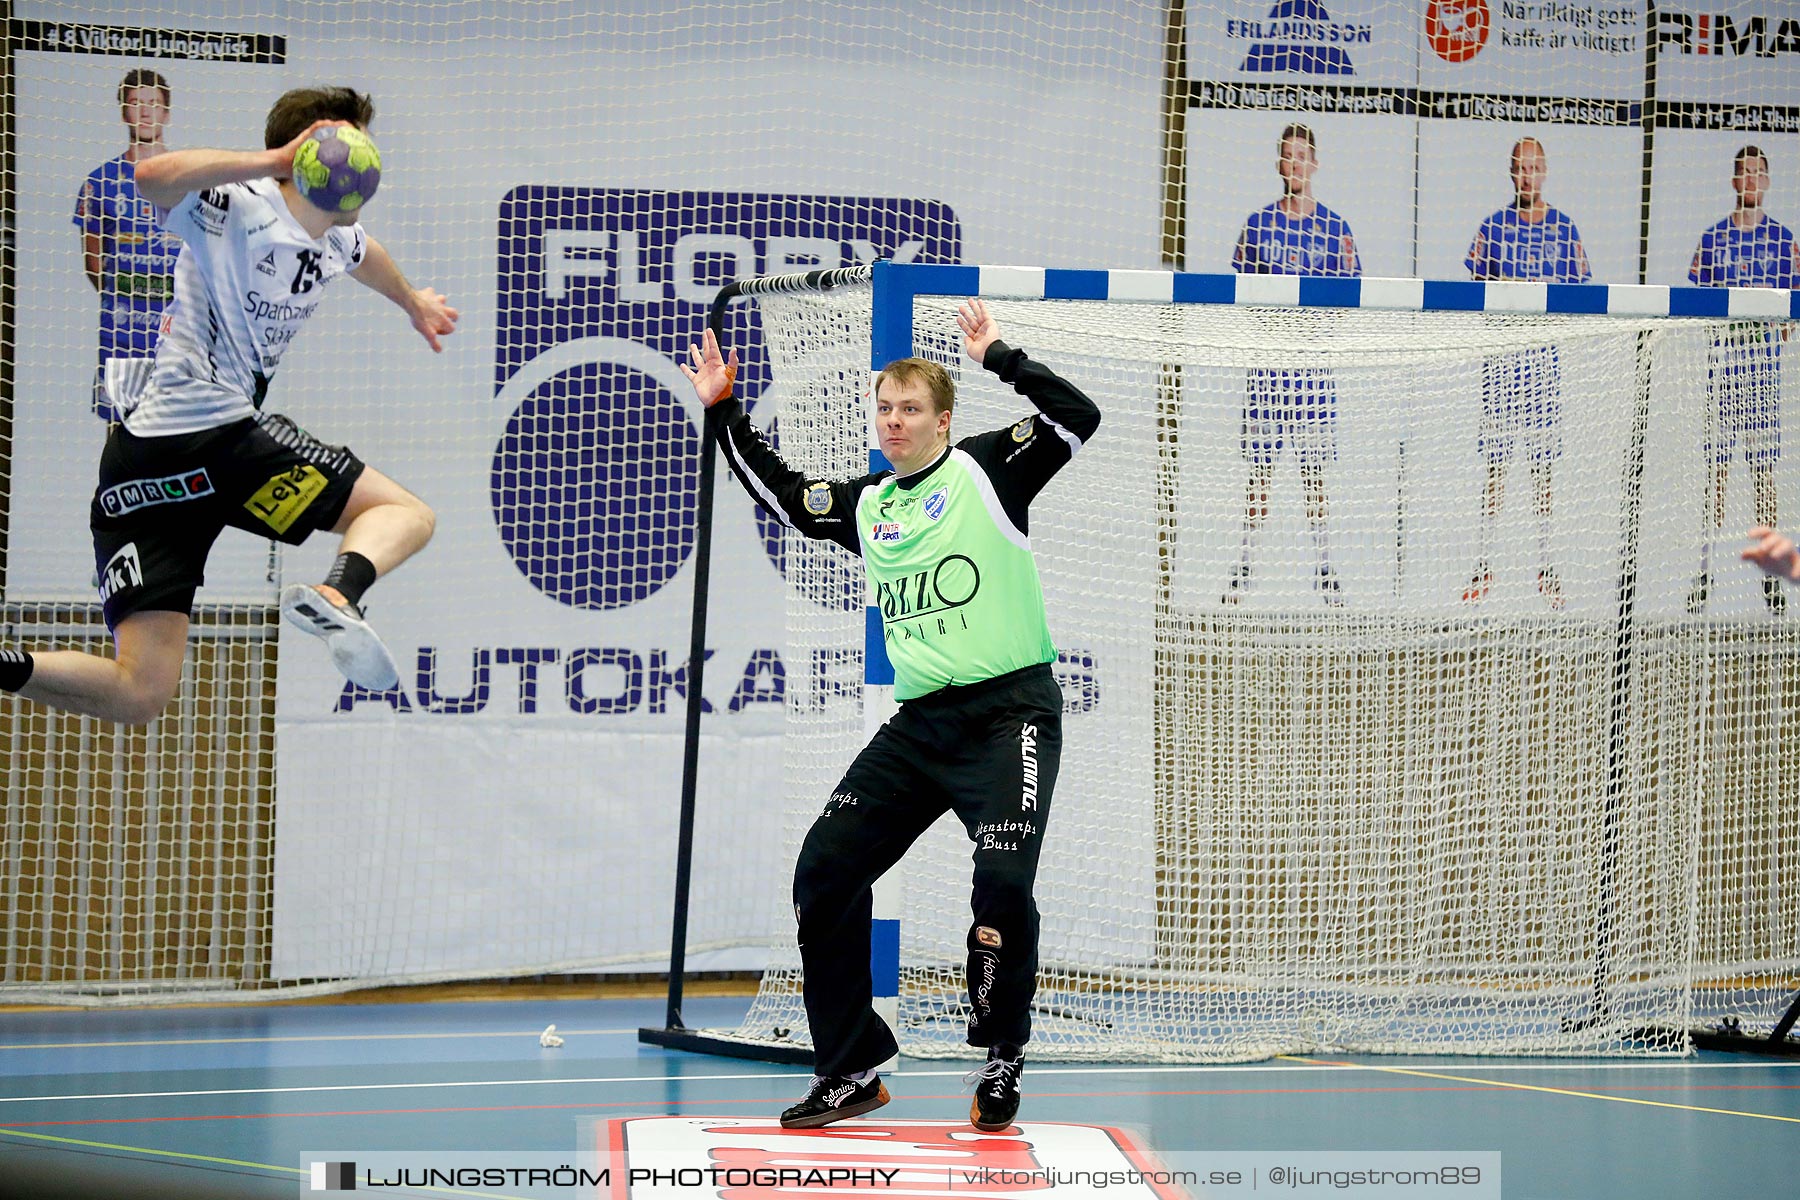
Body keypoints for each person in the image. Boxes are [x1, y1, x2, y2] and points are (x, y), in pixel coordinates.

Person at [680, 299, 1100, 1133]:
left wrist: (1002, 356)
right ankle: (853, 1067)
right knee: (825, 870)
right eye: (885, 407)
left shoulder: (988, 469)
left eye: (911, 409)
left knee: (1003, 886)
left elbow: (1078, 416)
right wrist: (725, 408)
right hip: (921, 727)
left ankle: (1003, 1055)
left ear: (943, 421)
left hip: (1009, 709)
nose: (895, 420)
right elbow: (792, 497)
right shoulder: (871, 504)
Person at [0, 86, 458, 723]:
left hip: (146, 474)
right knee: (407, 513)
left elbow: (366, 257)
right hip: (209, 437)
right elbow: (152, 177)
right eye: (353, 143)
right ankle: (339, 593)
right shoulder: (236, 203)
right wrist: (273, 161)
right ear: (315, 151)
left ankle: (4, 667)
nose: (367, 160)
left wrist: (412, 302)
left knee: (140, 692)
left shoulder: (337, 237)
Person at [1225, 122, 1359, 607]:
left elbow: (1351, 297)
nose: (1296, 164)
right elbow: (1240, 294)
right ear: (1279, 163)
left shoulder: (1335, 228)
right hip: (1268, 372)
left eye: (1304, 155)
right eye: (1288, 156)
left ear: (1315, 163)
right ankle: (1244, 570)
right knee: (1259, 475)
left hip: (1313, 374)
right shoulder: (1258, 226)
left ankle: (1325, 569)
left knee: (1314, 474)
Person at [1462, 136, 1591, 610]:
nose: (1528, 174)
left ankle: (1545, 563)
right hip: (1501, 363)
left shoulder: (1564, 229)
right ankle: (1484, 562)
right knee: (1497, 467)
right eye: (1521, 166)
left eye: (1536, 166)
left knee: (1542, 469)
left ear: (1546, 171)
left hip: (1542, 366)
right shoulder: (1493, 228)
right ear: (1511, 172)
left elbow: (1579, 297)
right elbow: (1475, 291)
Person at [1684, 146, 1799, 617]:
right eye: (1744, 173)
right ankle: (1705, 569)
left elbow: (1795, 308)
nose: (1751, 179)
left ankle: (1772, 575)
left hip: (1762, 375)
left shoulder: (1784, 240)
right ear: (1734, 181)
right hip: (1725, 371)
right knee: (1717, 475)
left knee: (1762, 474)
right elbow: (1693, 303)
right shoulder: (1713, 240)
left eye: (1759, 173)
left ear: (1768, 182)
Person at [73, 68, 183, 422]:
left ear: (166, 112)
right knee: (120, 429)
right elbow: (93, 262)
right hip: (121, 328)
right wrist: (125, 296)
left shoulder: (191, 178)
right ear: (124, 111)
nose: (146, 111)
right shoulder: (100, 181)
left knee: (176, 429)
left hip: (179, 331)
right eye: (137, 103)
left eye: (154, 103)